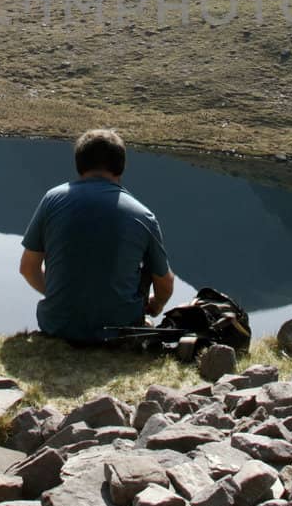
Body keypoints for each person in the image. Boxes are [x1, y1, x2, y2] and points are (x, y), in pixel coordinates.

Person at [19, 127, 175, 344]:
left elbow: (28, 268)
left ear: (79, 164)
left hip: (57, 325)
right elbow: (165, 283)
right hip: (119, 330)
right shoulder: (143, 215)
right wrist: (156, 306)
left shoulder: (51, 200)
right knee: (147, 263)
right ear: (121, 167)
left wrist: (58, 294)